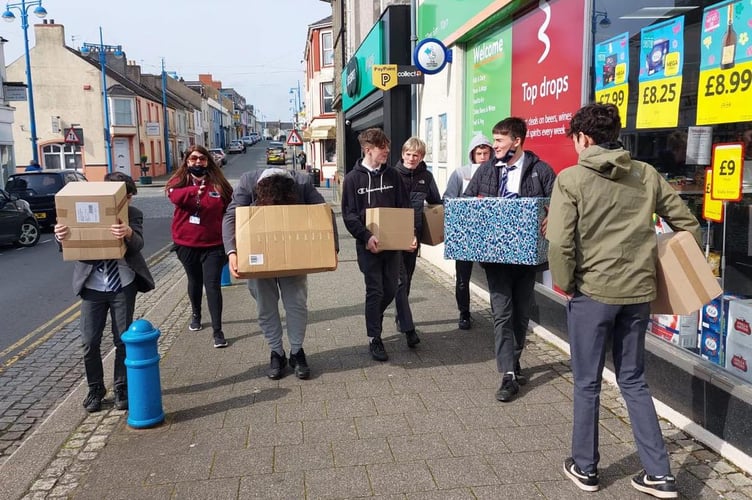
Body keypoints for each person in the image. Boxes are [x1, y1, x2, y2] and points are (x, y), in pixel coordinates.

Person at [547, 103, 701, 498]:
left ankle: (585, 468)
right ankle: (660, 474)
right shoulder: (646, 174)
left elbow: (561, 243)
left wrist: (567, 285)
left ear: (583, 138)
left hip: (592, 294)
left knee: (587, 382)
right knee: (633, 380)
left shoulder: (572, 179)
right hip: (637, 295)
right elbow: (687, 225)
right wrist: (655, 261)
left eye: (575, 140)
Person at [464, 117, 555, 402]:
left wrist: (551, 216)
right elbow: (467, 200)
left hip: (527, 258)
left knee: (521, 312)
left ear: (516, 141)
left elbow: (560, 203)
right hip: (496, 258)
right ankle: (508, 375)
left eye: (500, 140)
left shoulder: (540, 171)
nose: (495, 145)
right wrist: (476, 208)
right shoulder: (486, 170)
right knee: (502, 313)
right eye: (494, 140)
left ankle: (513, 361)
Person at [222, 167, 339, 380]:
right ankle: (276, 352)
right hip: (257, 256)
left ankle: (297, 351)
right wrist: (232, 253)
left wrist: (333, 250)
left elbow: (325, 213)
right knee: (265, 306)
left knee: (296, 304)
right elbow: (231, 216)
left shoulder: (302, 183)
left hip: (294, 255)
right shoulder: (248, 181)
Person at [53, 172, 155, 413]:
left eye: (124, 196)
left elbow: (138, 244)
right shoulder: (83, 209)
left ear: (128, 197)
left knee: (122, 339)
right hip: (92, 286)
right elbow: (67, 242)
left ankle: (121, 386)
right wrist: (60, 237)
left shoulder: (133, 214)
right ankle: (96, 388)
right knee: (89, 342)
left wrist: (128, 233)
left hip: (122, 284)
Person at [341, 127, 416, 362]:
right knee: (375, 290)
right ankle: (375, 337)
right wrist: (366, 236)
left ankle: (373, 317)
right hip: (369, 246)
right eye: (381, 148)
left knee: (392, 289)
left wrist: (409, 233)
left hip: (392, 245)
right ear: (368, 150)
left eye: (387, 147)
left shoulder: (393, 176)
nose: (386, 152)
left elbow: (404, 207)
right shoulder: (353, 179)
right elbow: (349, 214)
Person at [166, 145, 233, 348]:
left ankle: (217, 331)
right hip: (186, 243)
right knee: (194, 281)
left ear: (208, 161)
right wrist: (196, 190)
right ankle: (196, 314)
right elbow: (175, 197)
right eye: (194, 158)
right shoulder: (177, 182)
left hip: (214, 244)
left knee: (212, 285)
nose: (198, 162)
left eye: (202, 159)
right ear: (187, 161)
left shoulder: (218, 183)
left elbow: (230, 205)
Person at [393, 137, 441, 347]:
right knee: (400, 280)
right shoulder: (391, 175)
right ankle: (408, 328)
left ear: (421, 157)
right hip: (394, 235)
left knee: (407, 280)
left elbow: (435, 202)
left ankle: (400, 316)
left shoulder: (426, 177)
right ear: (403, 154)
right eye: (409, 154)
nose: (412, 158)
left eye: (416, 155)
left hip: (415, 237)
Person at [443, 133, 493, 330]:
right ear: (472, 154)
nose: (482, 157)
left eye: (486, 153)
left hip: (489, 234)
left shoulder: (497, 173)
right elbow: (447, 199)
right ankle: (464, 312)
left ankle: (498, 314)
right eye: (479, 153)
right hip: (465, 233)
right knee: (463, 277)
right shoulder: (460, 173)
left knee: (494, 277)